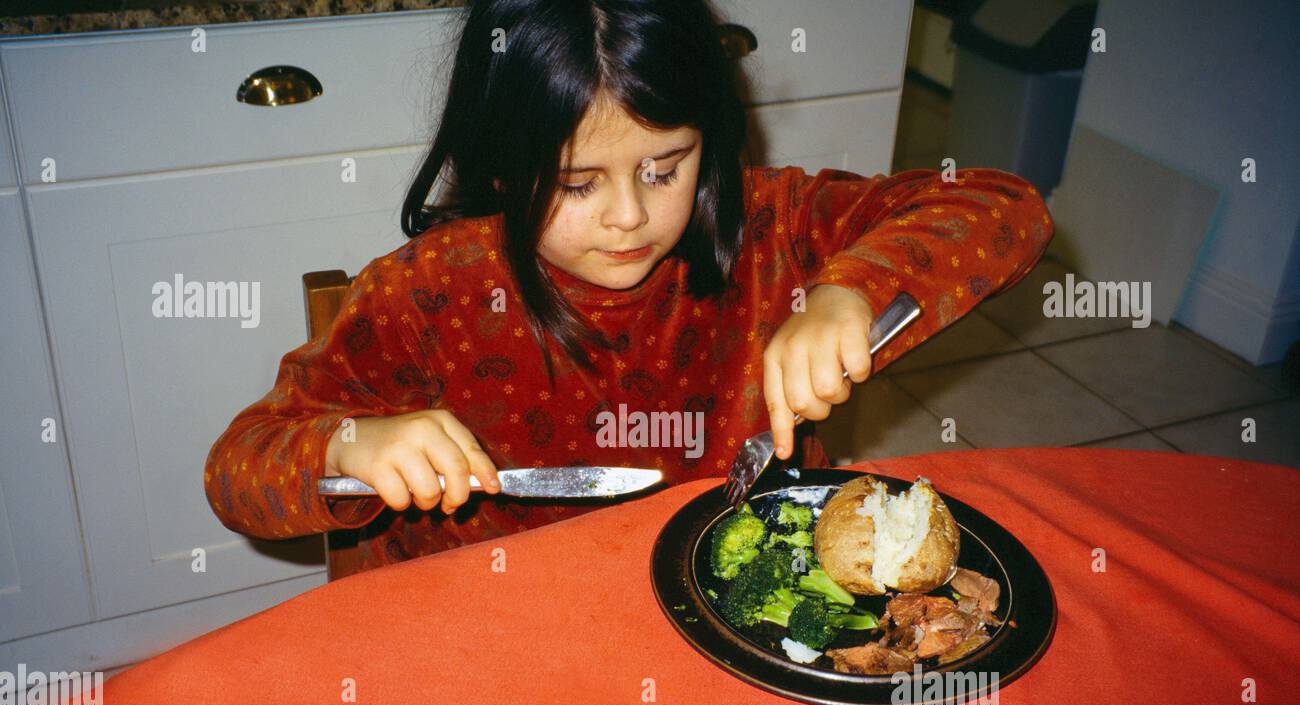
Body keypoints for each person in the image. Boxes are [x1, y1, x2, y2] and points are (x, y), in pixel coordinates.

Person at [205, 0, 1053, 573]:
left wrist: (851, 290)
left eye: (665, 167)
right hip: (502, 633)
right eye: (577, 185)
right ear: (501, 169)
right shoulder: (429, 295)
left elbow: (1002, 208)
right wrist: (351, 447)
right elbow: (236, 470)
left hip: (725, 611)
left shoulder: (771, 226)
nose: (628, 216)